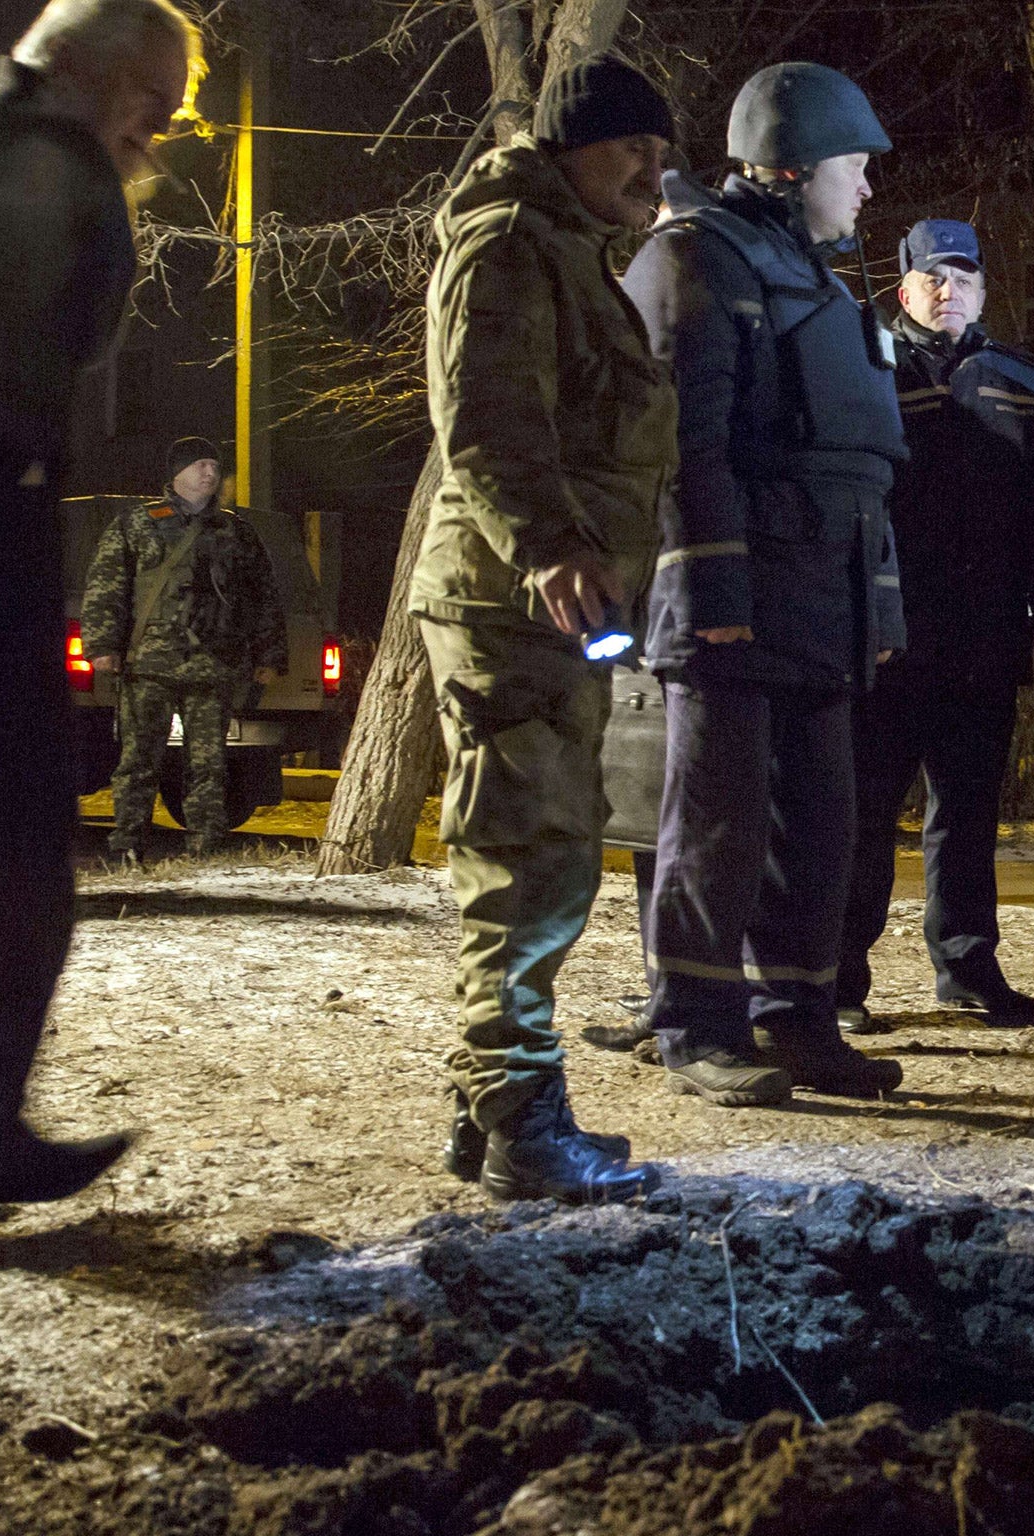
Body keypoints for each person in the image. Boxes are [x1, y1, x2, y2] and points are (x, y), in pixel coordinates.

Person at [0, 0, 196, 1247]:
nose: (163, 135)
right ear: (107, 79)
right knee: (10, 859)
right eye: (162, 106)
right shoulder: (29, 166)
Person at [411, 56, 676, 1204]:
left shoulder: (563, 249)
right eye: (631, 151)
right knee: (529, 860)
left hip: (544, 603)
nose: (649, 176)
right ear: (575, 143)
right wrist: (550, 548)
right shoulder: (511, 245)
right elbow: (486, 415)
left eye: (660, 156)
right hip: (511, 601)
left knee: (536, 850)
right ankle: (520, 1115)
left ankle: (490, 1107)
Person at [625, 63, 908, 1107]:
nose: (867, 190)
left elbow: (861, 463)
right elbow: (679, 448)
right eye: (855, 168)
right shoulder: (694, 261)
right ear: (795, 167)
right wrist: (713, 597)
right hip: (737, 608)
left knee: (820, 824)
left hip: (821, 599)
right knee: (718, 822)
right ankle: (695, 1024)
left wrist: (876, 606)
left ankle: (798, 1018)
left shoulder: (809, 273)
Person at [835, 217, 1034, 1034]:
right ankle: (839, 979)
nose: (950, 292)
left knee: (971, 814)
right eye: (934, 278)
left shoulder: (1019, 377)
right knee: (865, 814)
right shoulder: (862, 363)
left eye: (965, 278)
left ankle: (968, 967)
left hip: (983, 637)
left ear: (982, 287)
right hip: (887, 633)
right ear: (902, 287)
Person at [82, 436, 286, 859]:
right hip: (150, 665)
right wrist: (103, 645)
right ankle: (128, 846)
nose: (210, 473)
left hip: (213, 666)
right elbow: (106, 588)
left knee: (209, 765)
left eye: (214, 466)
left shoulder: (236, 532)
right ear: (176, 474)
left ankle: (206, 847)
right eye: (200, 466)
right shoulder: (137, 523)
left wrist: (270, 654)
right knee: (138, 762)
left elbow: (263, 596)